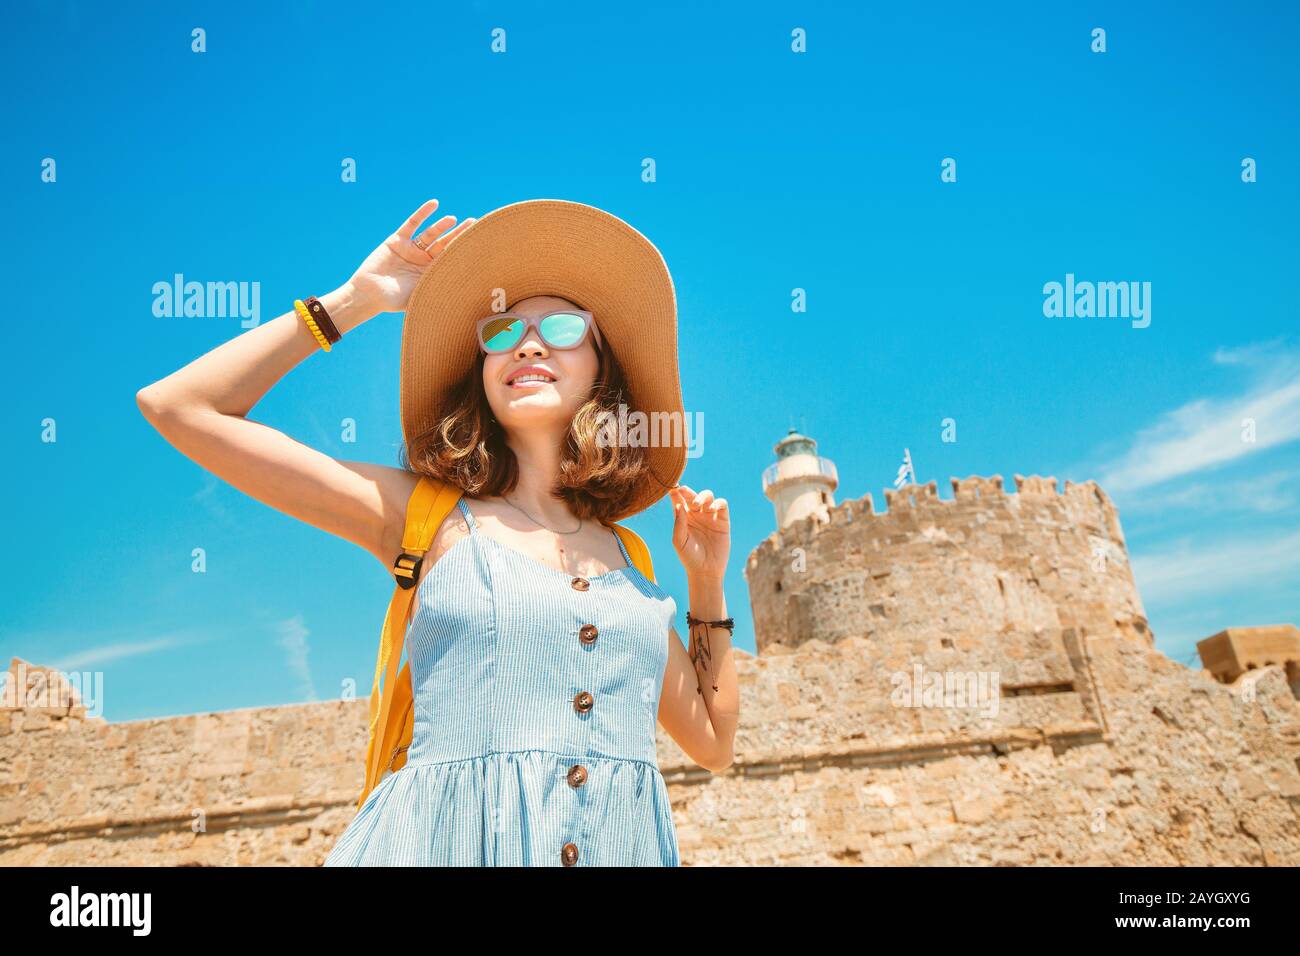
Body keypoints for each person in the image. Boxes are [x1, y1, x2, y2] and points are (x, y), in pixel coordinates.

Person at [136, 197, 739, 866]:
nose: (529, 342)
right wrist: (355, 302)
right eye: (502, 333)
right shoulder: (422, 515)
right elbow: (179, 407)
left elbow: (713, 744)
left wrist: (705, 583)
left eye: (564, 327)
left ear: (604, 370)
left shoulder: (629, 560)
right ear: (482, 375)